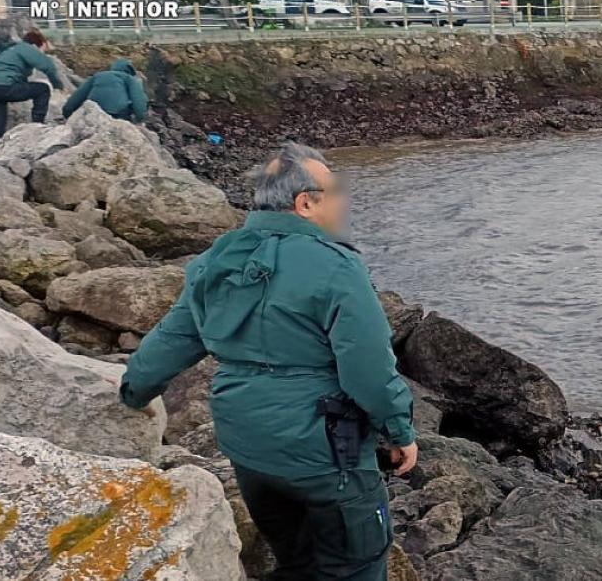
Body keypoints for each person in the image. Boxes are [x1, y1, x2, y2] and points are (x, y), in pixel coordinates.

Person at [120, 143, 417, 581]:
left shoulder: (214, 260)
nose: (343, 199)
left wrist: (134, 390)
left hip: (248, 450)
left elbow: (174, 339)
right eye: (335, 190)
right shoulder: (337, 267)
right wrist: (398, 431)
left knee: (297, 562)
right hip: (325, 455)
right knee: (356, 566)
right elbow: (368, 369)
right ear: (305, 203)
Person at [0, 28, 65, 166]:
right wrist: (58, 85)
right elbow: (47, 65)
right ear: (37, 44)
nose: (44, 52)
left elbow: (16, 75)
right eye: (44, 48)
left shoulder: (9, 52)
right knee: (42, 89)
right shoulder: (25, 47)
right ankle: (37, 125)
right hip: (5, 87)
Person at [62, 58, 149, 122]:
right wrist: (140, 118)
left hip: (93, 112)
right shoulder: (129, 78)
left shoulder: (98, 76)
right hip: (117, 114)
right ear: (130, 71)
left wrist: (67, 113)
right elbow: (138, 99)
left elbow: (78, 95)